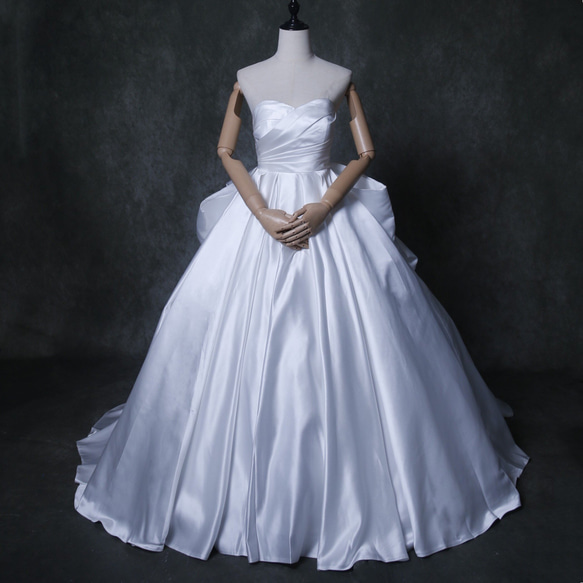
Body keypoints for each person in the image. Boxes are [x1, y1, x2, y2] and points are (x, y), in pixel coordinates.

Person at [74, 9, 528, 572]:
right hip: (262, 215)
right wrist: (260, 210)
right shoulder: (248, 78)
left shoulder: (339, 77)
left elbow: (365, 153)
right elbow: (226, 151)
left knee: (369, 341)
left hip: (325, 212)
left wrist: (326, 205)